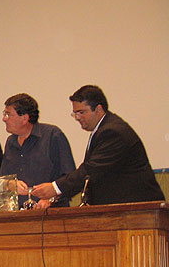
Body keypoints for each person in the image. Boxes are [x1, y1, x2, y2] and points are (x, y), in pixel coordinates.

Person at [31, 85, 165, 205]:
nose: (77, 117)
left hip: (139, 210)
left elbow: (91, 171)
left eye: (81, 112)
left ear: (98, 109)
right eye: (75, 113)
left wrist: (55, 188)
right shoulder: (103, 129)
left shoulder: (113, 132)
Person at [0, 93, 76, 209]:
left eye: (8, 114)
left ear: (24, 118)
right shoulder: (11, 142)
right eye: (4, 114)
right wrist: (9, 184)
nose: (4, 119)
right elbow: (3, 179)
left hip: (52, 214)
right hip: (17, 215)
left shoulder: (52, 136)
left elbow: (69, 178)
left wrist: (50, 198)